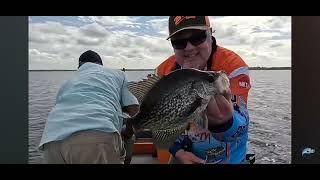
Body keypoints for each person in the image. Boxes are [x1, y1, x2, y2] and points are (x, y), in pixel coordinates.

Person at [155, 16, 253, 164]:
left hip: (230, 157)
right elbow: (159, 123)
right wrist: (178, 152)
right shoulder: (163, 72)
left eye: (197, 38)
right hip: (184, 152)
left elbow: (241, 126)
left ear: (210, 35)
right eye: (179, 42)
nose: (188, 47)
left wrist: (226, 122)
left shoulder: (233, 66)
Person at [38, 50, 139, 164]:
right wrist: (128, 132)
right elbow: (134, 110)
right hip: (97, 135)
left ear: (80, 65)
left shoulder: (68, 82)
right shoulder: (119, 74)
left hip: (52, 139)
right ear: (100, 64)